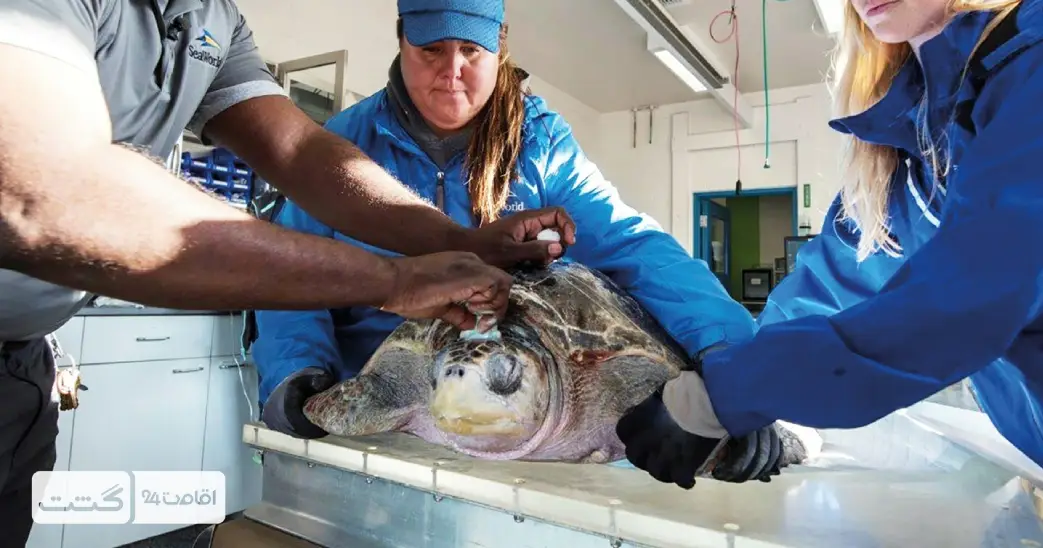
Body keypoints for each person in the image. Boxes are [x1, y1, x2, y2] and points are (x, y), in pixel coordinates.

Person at [0, 0, 575, 543]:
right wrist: (393, 280)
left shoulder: (212, 19)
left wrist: (458, 242)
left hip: (23, 363)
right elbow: (39, 192)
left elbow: (298, 151)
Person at [251, 0, 788, 483]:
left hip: (536, 407)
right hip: (386, 412)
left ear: (500, 46)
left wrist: (733, 358)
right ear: (400, 39)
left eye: (472, 50)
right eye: (431, 49)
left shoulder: (539, 144)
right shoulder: (343, 146)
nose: (451, 72)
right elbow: (291, 270)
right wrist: (294, 370)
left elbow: (634, 247)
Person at [616, 0, 1043, 488]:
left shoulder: (1031, 69)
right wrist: (735, 372)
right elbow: (831, 277)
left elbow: (967, 297)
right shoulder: (913, 138)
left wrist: (732, 392)